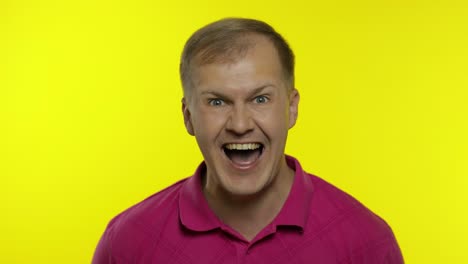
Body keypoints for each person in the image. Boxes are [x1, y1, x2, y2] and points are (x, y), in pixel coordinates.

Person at [92, 18, 404, 263]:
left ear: (291, 108)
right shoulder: (128, 242)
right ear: (188, 116)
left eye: (260, 99)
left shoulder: (365, 240)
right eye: (217, 102)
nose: (240, 124)